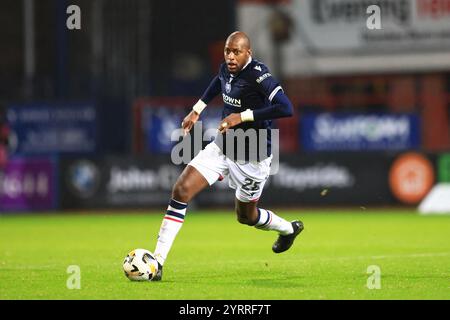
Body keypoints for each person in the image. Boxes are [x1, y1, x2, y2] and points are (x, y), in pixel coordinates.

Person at [151, 31, 303, 281]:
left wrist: (241, 116)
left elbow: (286, 108)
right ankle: (158, 262)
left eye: (237, 52)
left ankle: (288, 229)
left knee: (246, 216)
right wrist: (196, 110)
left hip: (253, 155)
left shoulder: (259, 75)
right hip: (223, 146)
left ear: (248, 53)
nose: (231, 57)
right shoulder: (225, 69)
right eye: (227, 51)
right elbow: (218, 83)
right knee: (181, 190)